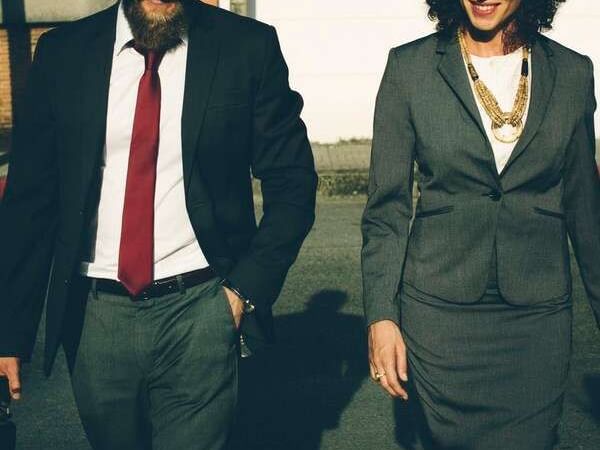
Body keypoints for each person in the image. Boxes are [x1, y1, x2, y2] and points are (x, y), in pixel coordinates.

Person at [0, 0, 317, 448]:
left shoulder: (245, 47)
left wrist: (243, 290)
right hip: (95, 317)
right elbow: (30, 201)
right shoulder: (63, 53)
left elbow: (293, 182)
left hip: (200, 309)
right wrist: (8, 333)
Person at [361, 0, 599, 448]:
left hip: (536, 321)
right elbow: (386, 210)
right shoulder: (409, 68)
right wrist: (382, 315)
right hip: (439, 317)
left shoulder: (572, 73)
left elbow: (587, 214)